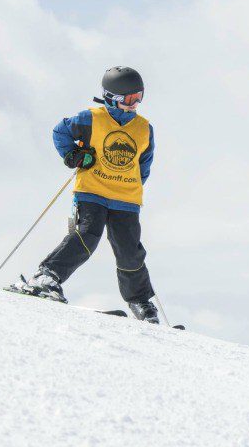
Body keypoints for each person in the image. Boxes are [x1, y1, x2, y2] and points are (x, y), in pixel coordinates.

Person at [11, 66, 161, 323]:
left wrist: (130, 184)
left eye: (139, 97)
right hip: (92, 190)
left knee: (129, 250)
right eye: (129, 99)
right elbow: (61, 132)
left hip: (126, 198)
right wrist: (73, 155)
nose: (135, 104)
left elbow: (143, 165)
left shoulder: (144, 128)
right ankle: (47, 276)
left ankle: (140, 301)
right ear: (111, 97)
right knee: (87, 235)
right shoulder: (91, 118)